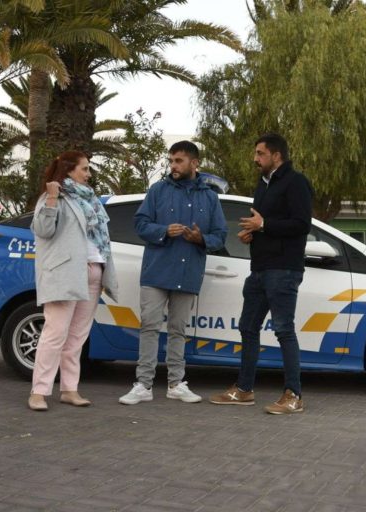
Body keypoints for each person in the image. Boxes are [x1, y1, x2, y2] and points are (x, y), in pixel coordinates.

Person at [210, 133, 313, 415]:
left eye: (260, 154)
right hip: (259, 270)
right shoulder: (264, 185)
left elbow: (301, 224)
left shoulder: (296, 182)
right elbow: (267, 225)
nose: (255, 159)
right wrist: (252, 234)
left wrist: (264, 224)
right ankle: (244, 390)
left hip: (284, 270)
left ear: (276, 155)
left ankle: (294, 395)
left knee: (283, 330)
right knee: (247, 327)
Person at [118, 141, 227, 405]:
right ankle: (143, 385)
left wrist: (202, 239)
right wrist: (163, 231)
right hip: (156, 271)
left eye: (179, 161)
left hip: (188, 272)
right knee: (150, 328)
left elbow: (221, 235)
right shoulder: (158, 190)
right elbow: (140, 224)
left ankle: (176, 384)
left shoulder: (210, 197)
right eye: (171, 161)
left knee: (178, 329)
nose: (173, 166)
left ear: (194, 163)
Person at [27, 150, 119, 411]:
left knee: (77, 337)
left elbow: (100, 237)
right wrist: (53, 198)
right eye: (85, 169)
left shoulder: (91, 200)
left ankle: (69, 389)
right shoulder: (53, 197)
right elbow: (43, 230)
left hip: (93, 271)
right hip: (66, 273)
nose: (89, 174)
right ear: (69, 170)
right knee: (54, 334)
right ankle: (39, 392)